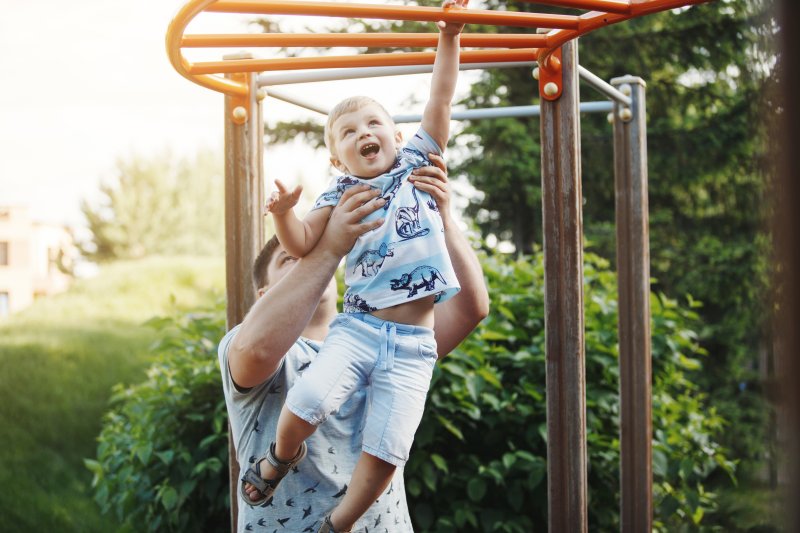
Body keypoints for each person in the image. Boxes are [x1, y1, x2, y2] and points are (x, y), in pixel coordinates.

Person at [249, 2, 470, 531]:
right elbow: (302, 245)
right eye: (347, 132)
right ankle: (280, 458)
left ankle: (338, 524)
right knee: (305, 401)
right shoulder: (342, 192)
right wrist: (284, 213)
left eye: (374, 123)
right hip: (360, 328)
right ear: (337, 159)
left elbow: (441, 96)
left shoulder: (419, 161)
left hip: (415, 344)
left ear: (397, 135)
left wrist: (451, 36)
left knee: (389, 449)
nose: (363, 132)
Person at [218, 155, 488, 532]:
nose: (306, 259)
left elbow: (470, 309)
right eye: (290, 259)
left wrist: (441, 217)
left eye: (310, 256)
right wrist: (327, 248)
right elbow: (256, 350)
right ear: (264, 295)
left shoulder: (387, 336)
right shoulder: (249, 345)